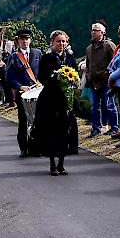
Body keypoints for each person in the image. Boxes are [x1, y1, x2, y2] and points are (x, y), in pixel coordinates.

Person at [33, 30, 78, 175]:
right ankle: (52, 163)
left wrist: (71, 81)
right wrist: (56, 80)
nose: (61, 44)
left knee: (64, 131)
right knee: (51, 131)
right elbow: (41, 76)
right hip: (50, 99)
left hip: (65, 99)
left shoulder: (70, 57)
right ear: (52, 42)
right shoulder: (47, 58)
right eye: (58, 41)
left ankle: (62, 163)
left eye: (64, 41)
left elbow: (75, 74)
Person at [5, 29, 43, 157]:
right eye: (22, 39)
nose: (25, 41)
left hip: (38, 92)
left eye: (27, 39)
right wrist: (20, 87)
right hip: (23, 94)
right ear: (18, 41)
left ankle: (36, 147)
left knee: (37, 120)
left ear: (30, 40)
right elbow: (9, 76)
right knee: (23, 121)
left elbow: (43, 71)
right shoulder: (14, 56)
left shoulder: (38, 53)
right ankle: (23, 147)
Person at [85, 22, 119, 137]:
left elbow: (115, 62)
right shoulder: (89, 48)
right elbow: (88, 64)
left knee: (109, 104)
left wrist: (111, 77)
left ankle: (114, 127)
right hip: (93, 82)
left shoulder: (109, 45)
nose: (93, 32)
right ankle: (95, 128)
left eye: (96, 30)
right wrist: (89, 76)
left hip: (106, 81)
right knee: (94, 106)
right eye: (92, 30)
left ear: (103, 32)